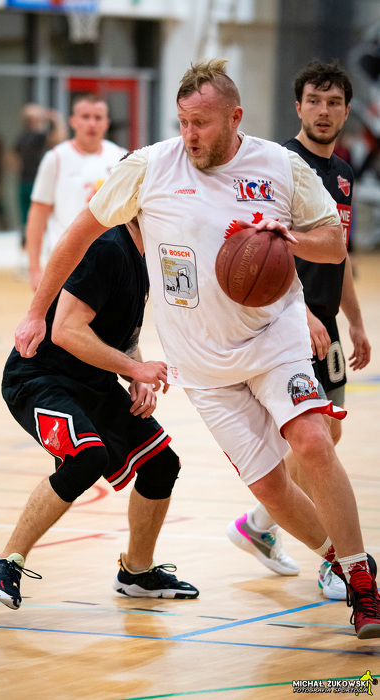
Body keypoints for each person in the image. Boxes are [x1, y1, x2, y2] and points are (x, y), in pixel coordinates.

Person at [13, 59, 380, 640]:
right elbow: (77, 233)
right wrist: (37, 309)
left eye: (202, 123)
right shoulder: (148, 167)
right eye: (183, 122)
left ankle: (362, 582)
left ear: (235, 118)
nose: (190, 135)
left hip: (274, 337)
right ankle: (339, 559)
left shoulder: (280, 166)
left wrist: (292, 240)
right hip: (204, 366)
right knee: (269, 488)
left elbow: (334, 245)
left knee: (312, 439)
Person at [0, 216, 199, 609]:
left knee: (162, 463)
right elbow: (66, 331)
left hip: (91, 383)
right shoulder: (107, 248)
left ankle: (136, 573)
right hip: (40, 378)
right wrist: (134, 369)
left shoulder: (142, 255)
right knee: (86, 456)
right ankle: (5, 563)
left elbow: (120, 333)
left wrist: (137, 374)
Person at [227, 60, 372, 601]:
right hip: (289, 323)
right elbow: (262, 249)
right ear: (298, 107)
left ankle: (259, 524)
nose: (323, 111)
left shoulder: (344, 172)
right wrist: (302, 313)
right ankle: (333, 561)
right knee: (313, 442)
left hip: (326, 323)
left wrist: (354, 320)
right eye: (314, 100)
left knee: (328, 436)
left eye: (333, 102)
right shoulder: (280, 166)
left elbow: (339, 253)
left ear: (346, 111)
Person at [26, 93, 126, 291]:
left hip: (110, 259)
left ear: (106, 123)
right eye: (85, 116)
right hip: (65, 261)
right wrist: (34, 269)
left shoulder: (121, 157)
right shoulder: (55, 158)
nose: (92, 123)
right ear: (73, 121)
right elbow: (38, 214)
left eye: (98, 117)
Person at [10, 103, 67, 248]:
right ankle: (38, 245)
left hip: (23, 181)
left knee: (26, 218)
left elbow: (11, 159)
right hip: (37, 183)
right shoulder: (37, 136)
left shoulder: (21, 136)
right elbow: (60, 139)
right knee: (41, 217)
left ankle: (27, 246)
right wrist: (58, 119)